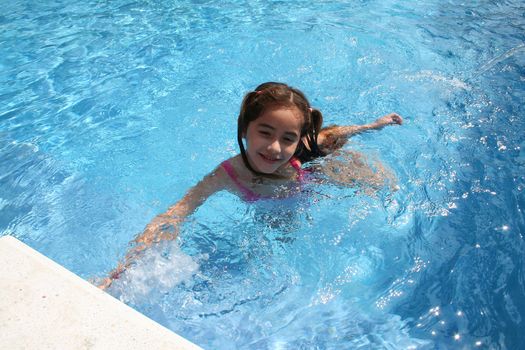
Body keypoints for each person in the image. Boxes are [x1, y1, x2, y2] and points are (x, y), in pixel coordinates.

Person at [99, 82, 402, 289]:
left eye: (288, 138)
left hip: (309, 181)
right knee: (279, 237)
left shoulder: (305, 151)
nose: (275, 147)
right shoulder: (227, 174)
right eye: (265, 132)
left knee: (368, 177)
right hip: (273, 205)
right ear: (245, 129)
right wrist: (125, 266)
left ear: (298, 140)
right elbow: (178, 211)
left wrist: (374, 125)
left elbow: (336, 134)